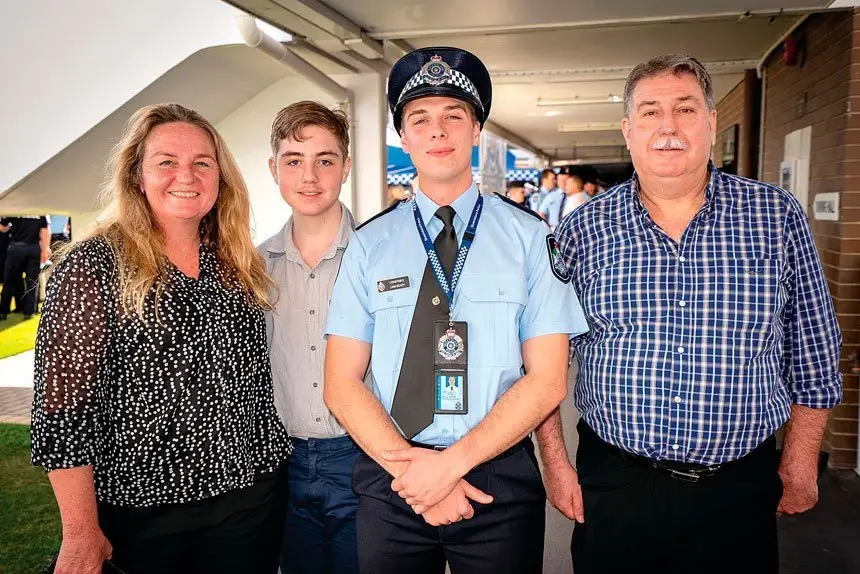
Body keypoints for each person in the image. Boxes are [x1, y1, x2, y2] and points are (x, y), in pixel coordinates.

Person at [543, 53, 843, 573]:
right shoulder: (582, 231)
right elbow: (543, 361)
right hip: (617, 485)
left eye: (685, 109)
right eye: (650, 112)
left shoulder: (775, 216)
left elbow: (813, 346)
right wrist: (555, 464)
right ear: (628, 130)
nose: (668, 127)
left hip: (738, 488)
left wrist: (798, 461)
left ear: (711, 121)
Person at [323, 46, 588, 573]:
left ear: (477, 130)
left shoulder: (529, 239)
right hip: (394, 472)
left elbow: (548, 379)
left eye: (453, 115)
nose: (438, 131)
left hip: (495, 475)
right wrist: (416, 472)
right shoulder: (369, 244)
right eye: (420, 119)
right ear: (403, 137)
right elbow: (340, 383)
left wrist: (449, 468)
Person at [30, 103, 291, 574]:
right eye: (166, 161)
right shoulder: (94, 265)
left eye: (202, 163)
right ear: (137, 175)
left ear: (220, 176)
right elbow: (63, 414)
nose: (185, 176)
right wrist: (81, 531)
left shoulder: (235, 261)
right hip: (143, 514)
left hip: (249, 503)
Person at [257, 101, 360, 574]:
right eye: (294, 161)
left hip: (362, 459)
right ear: (274, 168)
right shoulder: (252, 268)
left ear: (346, 166)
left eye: (325, 160)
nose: (310, 177)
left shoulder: (379, 256)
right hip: (283, 461)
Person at [0, 214, 51, 320]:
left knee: (9, 280)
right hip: (34, 248)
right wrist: (45, 249)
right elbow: (44, 232)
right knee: (32, 282)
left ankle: (3, 311)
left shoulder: (16, 210)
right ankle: (29, 312)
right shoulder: (39, 212)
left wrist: (11, 226)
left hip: (16, 248)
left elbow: (2, 228)